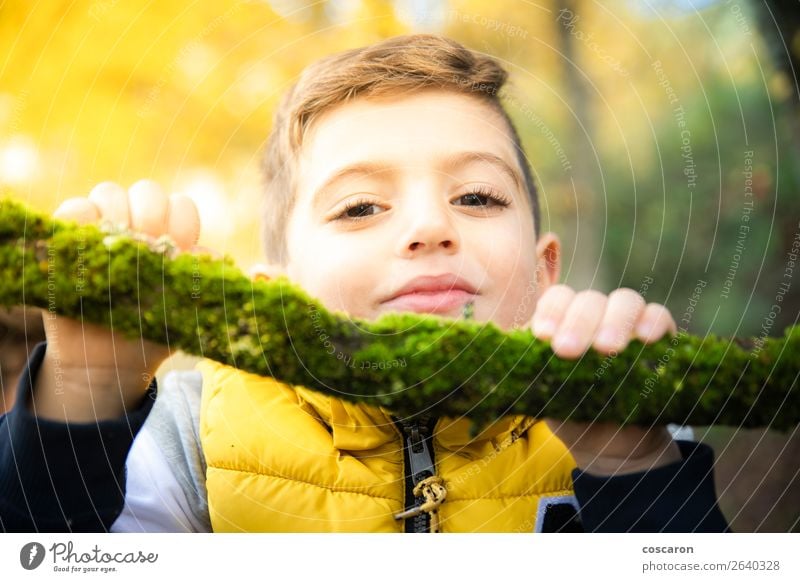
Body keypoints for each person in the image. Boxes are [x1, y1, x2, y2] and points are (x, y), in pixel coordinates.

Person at [0, 33, 729, 533]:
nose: (428, 227)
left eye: (476, 196)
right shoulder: (178, 449)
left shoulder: (631, 428)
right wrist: (83, 403)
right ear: (270, 296)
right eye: (359, 207)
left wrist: (634, 473)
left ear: (544, 273)